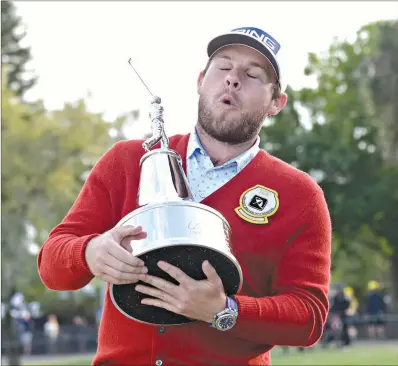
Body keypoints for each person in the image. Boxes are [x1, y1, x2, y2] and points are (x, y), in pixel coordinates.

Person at [37, 26, 332, 365]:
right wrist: (88, 253)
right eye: (223, 67)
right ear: (200, 81)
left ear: (275, 104)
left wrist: (224, 310)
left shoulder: (299, 195)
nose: (233, 79)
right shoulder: (126, 161)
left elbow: (309, 317)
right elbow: (51, 265)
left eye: (252, 75)